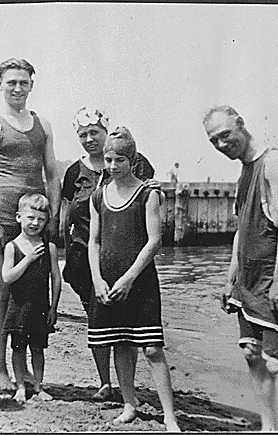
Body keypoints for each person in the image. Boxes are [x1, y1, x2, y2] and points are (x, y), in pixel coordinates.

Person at [203, 106, 278, 431]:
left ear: (241, 125)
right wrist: (230, 278)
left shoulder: (275, 161)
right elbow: (241, 231)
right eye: (213, 140)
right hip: (247, 279)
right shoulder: (244, 171)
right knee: (251, 353)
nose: (220, 144)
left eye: (225, 135)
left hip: (273, 276)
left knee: (277, 364)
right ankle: (268, 426)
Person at [0, 58, 61, 390]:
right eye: (11, 82)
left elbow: (52, 174)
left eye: (23, 82)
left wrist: (53, 217)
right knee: (3, 293)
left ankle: (27, 370)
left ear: (31, 85)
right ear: (0, 84)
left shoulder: (43, 125)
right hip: (4, 219)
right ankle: (1, 369)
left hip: (35, 219)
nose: (18, 88)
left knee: (34, 294)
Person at [61, 106, 159, 401]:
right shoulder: (73, 171)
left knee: (126, 323)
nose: (89, 139)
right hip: (84, 252)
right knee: (96, 319)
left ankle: (126, 385)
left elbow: (147, 194)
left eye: (94, 133)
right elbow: (67, 211)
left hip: (121, 254)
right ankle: (105, 382)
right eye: (83, 134)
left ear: (106, 132)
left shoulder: (134, 162)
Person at [88, 126, 179, 430]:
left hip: (139, 281)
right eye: (108, 159)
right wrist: (97, 279)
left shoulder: (147, 194)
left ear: (133, 159)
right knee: (120, 343)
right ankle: (129, 403)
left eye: (119, 160)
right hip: (108, 280)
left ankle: (169, 414)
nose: (112, 166)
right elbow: (94, 242)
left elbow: (154, 241)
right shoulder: (99, 196)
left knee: (151, 348)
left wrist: (128, 277)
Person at [1, 193, 61, 403]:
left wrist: (54, 307)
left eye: (41, 220)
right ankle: (19, 386)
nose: (35, 223)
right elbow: (7, 277)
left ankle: (38, 385)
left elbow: (56, 279)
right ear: (19, 217)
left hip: (40, 308)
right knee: (18, 348)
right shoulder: (12, 247)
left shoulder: (49, 247)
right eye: (30, 218)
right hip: (18, 307)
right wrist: (28, 259)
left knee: (38, 349)